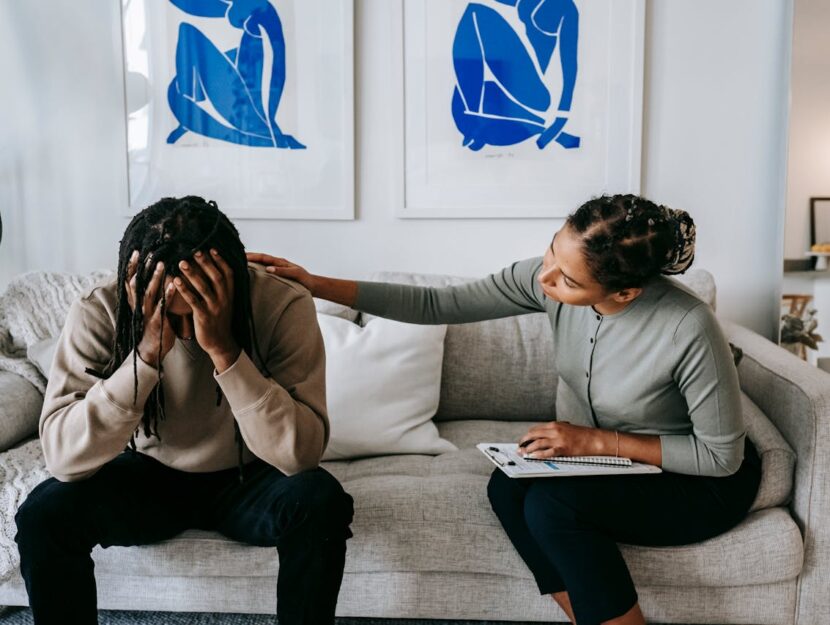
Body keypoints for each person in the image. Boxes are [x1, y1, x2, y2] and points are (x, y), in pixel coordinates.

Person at [247, 194, 762, 625]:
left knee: (551, 506)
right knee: (507, 486)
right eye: (551, 253)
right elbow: (437, 304)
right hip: (615, 467)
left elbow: (721, 457)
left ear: (625, 292)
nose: (547, 279)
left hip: (695, 481)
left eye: (569, 281)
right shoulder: (549, 280)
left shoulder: (687, 325)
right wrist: (315, 283)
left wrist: (596, 442)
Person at [15, 196, 353, 625]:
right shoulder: (101, 307)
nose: (187, 331)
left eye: (198, 312)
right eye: (173, 316)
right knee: (43, 513)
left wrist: (225, 351)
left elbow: (301, 456)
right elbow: (64, 458)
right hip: (149, 473)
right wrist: (146, 356)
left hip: (252, 473)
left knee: (321, 500)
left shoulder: (281, 303)